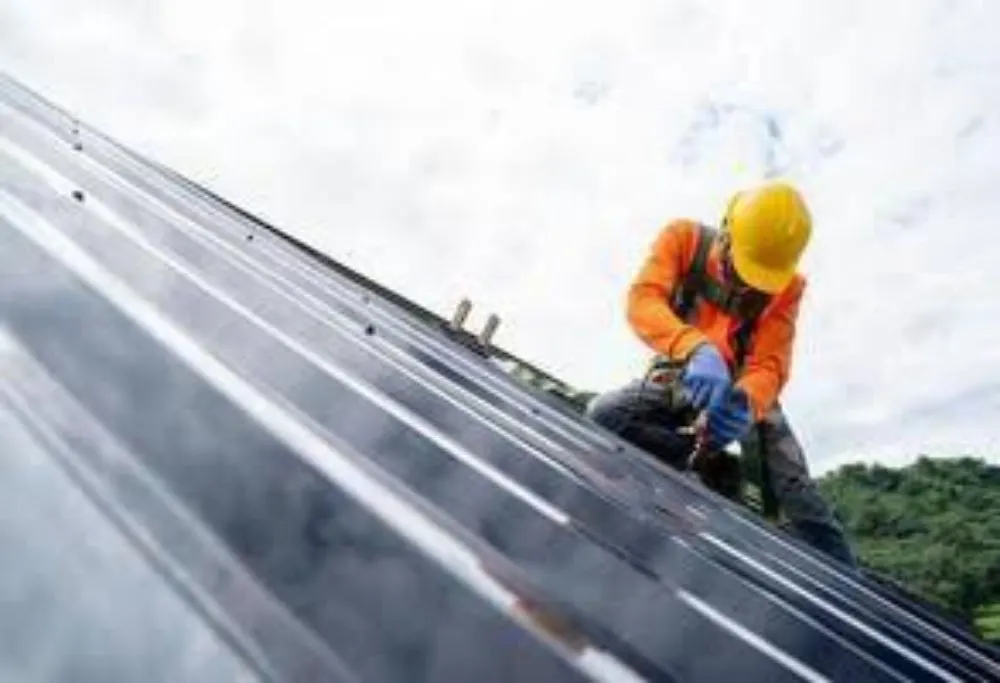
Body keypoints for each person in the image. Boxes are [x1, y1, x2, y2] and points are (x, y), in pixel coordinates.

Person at [586, 181, 857, 568]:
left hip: (744, 389)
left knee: (793, 488)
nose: (746, 285)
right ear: (726, 233)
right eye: (741, 270)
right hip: (684, 372)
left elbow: (771, 363)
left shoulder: (787, 288)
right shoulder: (683, 240)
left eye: (757, 279)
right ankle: (706, 465)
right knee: (606, 416)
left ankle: (846, 577)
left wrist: (746, 402)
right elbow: (642, 299)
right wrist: (693, 347)